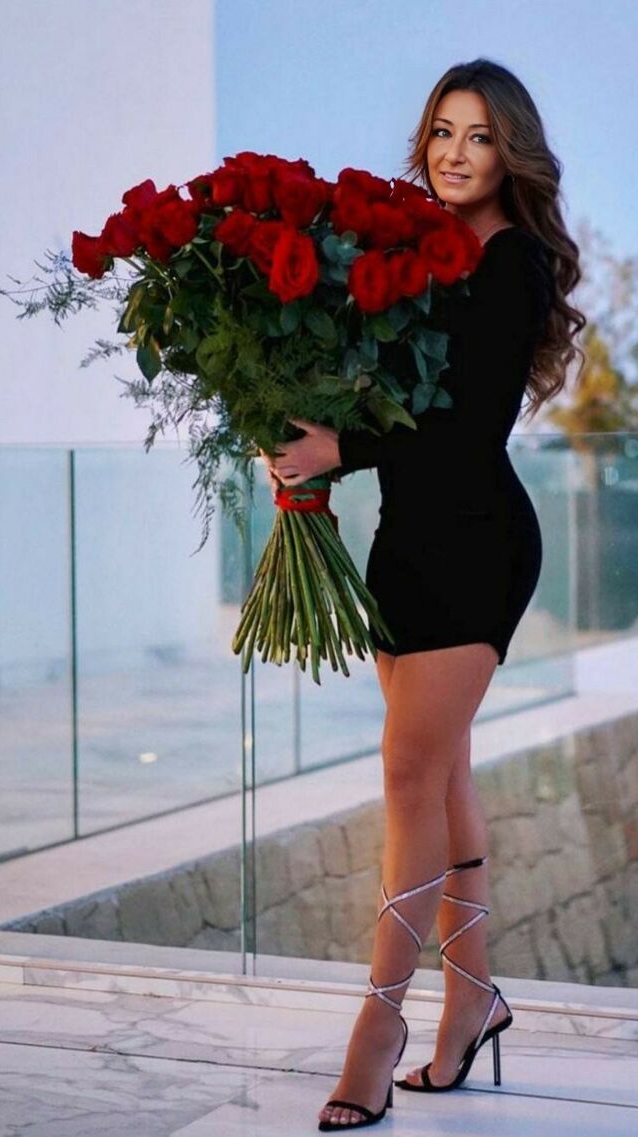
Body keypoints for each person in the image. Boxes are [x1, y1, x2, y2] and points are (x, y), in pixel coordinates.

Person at [261, 58, 586, 1132]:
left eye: (480, 136)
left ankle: (377, 1026)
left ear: (511, 153)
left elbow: (462, 427)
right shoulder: (412, 251)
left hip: (479, 546)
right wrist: (297, 427)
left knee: (405, 774)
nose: (455, 152)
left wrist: (336, 448)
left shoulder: (513, 261)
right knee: (441, 778)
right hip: (402, 544)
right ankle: (473, 1000)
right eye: (443, 130)